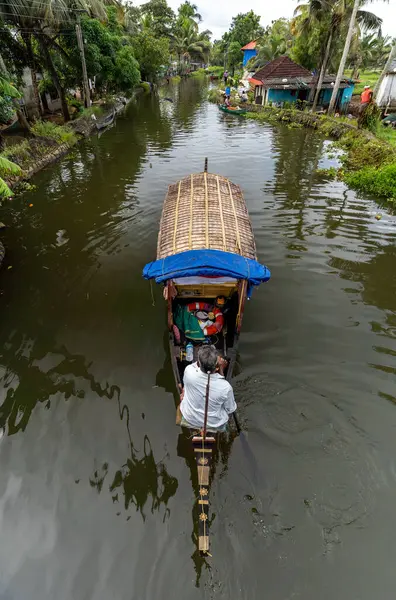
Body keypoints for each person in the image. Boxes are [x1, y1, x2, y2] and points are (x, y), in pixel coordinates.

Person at [179, 345, 236, 431]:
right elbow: (230, 409)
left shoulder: (188, 371)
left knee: (184, 392)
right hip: (215, 423)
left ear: (199, 362)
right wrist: (221, 368)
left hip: (189, 417)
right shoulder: (226, 387)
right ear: (216, 365)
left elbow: (196, 366)